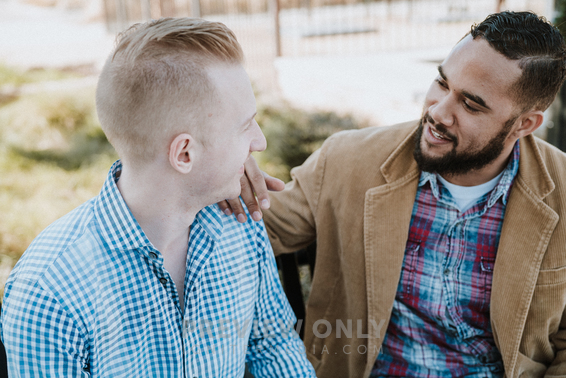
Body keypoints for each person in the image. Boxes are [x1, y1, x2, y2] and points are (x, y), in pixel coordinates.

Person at [220, 11, 566, 377]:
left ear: (525, 124)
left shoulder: (560, 192)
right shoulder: (347, 160)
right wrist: (220, 169)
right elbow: (254, 225)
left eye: (470, 104)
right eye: (442, 83)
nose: (438, 111)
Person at [0, 18, 315, 377]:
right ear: (184, 154)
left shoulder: (239, 224)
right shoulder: (49, 293)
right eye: (245, 126)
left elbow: (272, 344)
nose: (259, 142)